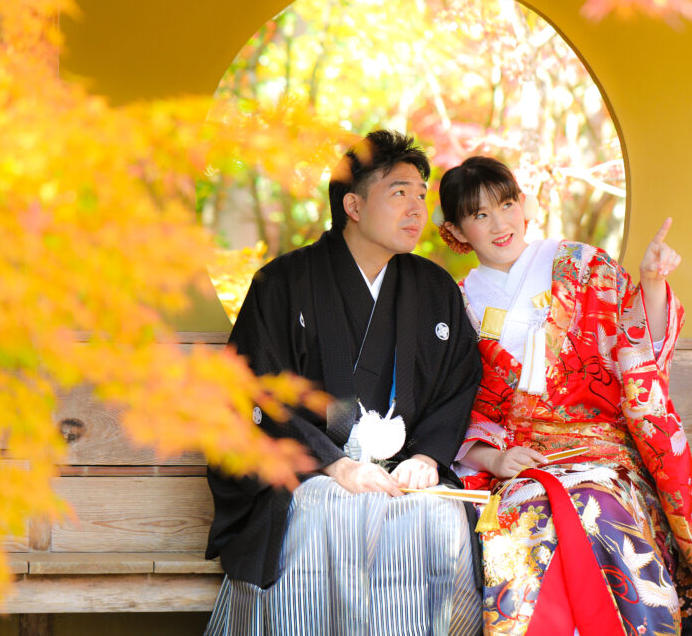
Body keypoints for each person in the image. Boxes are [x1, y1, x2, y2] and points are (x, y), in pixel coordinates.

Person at [204, 131, 483, 635]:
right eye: (399, 192)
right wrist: (335, 464)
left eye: (421, 195)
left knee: (439, 517)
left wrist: (427, 458)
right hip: (307, 471)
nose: (417, 209)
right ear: (353, 205)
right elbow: (255, 391)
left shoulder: (433, 288)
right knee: (329, 510)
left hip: (402, 471)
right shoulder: (282, 283)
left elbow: (458, 382)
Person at [437, 156, 692, 636]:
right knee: (530, 518)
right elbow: (455, 403)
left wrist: (652, 283)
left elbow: (637, 351)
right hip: (523, 463)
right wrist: (494, 459)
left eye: (506, 205)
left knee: (598, 506)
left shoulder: (582, 265)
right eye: (480, 214)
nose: (500, 224)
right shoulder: (457, 303)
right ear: (455, 230)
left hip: (603, 455)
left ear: (524, 204)